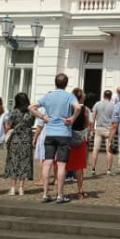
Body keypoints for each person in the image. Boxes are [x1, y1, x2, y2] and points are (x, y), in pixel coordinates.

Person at [31, 73, 82, 204]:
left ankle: (45, 193)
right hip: (64, 133)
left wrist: (42, 118)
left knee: (47, 162)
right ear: (66, 83)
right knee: (61, 164)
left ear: (55, 82)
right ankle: (60, 194)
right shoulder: (69, 96)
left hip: (50, 133)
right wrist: (72, 118)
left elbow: (31, 107)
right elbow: (78, 107)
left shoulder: (48, 96)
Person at [4, 93, 35, 196]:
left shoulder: (14, 112)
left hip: (15, 140)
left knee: (14, 163)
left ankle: (12, 188)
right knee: (24, 164)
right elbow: (32, 124)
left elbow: (8, 126)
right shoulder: (31, 113)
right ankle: (21, 188)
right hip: (26, 140)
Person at [66, 87, 89, 198]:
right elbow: (86, 124)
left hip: (68, 137)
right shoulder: (84, 109)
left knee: (62, 164)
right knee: (79, 167)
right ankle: (80, 190)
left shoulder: (68, 108)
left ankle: (59, 191)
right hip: (79, 138)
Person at [89, 89, 115, 176]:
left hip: (99, 128)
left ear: (103, 95)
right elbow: (115, 119)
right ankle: (108, 170)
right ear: (110, 96)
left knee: (95, 149)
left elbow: (93, 117)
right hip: (109, 129)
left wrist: (92, 129)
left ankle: (93, 169)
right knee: (109, 150)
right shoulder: (113, 105)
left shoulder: (97, 104)